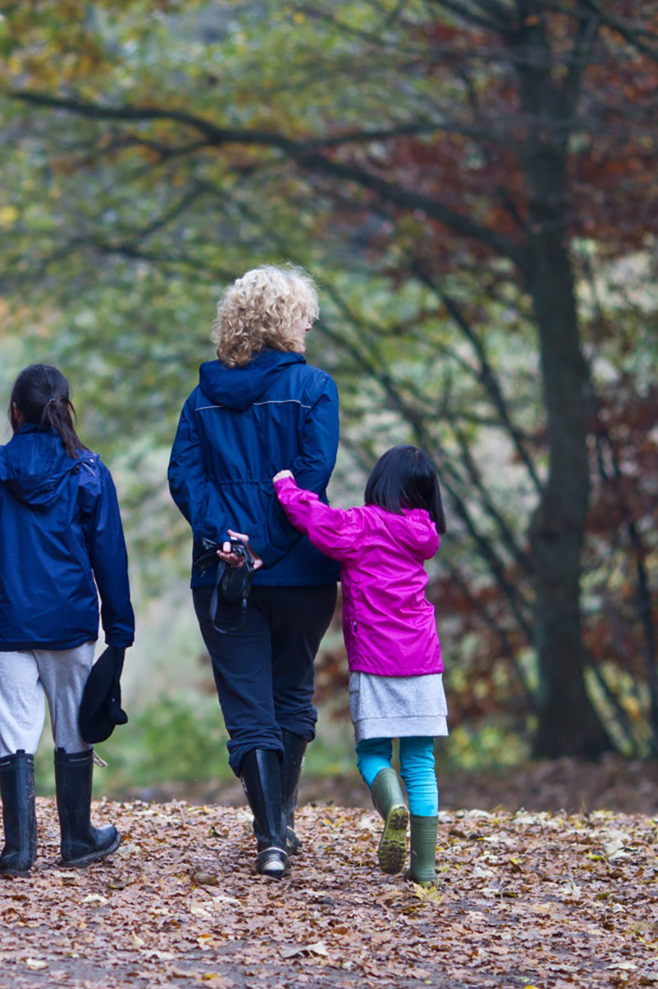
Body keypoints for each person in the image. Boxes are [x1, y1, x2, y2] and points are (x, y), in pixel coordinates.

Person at [167, 264, 340, 879]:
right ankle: (281, 825)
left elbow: (184, 479)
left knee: (247, 707)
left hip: (223, 575)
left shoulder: (200, 398)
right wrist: (265, 544)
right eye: (303, 315)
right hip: (302, 571)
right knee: (292, 693)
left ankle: (272, 838)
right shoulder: (315, 389)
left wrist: (229, 541)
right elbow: (311, 476)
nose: (309, 325)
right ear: (283, 321)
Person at [0, 363, 135, 877]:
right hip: (69, 622)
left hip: (6, 621)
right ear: (64, 409)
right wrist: (119, 629)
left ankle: (19, 851)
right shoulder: (88, 472)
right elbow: (109, 556)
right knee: (72, 727)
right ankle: (77, 840)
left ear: (15, 411)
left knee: (15, 731)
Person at [273, 445, 449, 885]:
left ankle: (392, 807)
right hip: (423, 662)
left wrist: (286, 487)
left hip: (375, 661)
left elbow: (317, 521)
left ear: (379, 483)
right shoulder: (422, 534)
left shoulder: (362, 526)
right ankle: (424, 869)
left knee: (372, 753)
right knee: (421, 762)